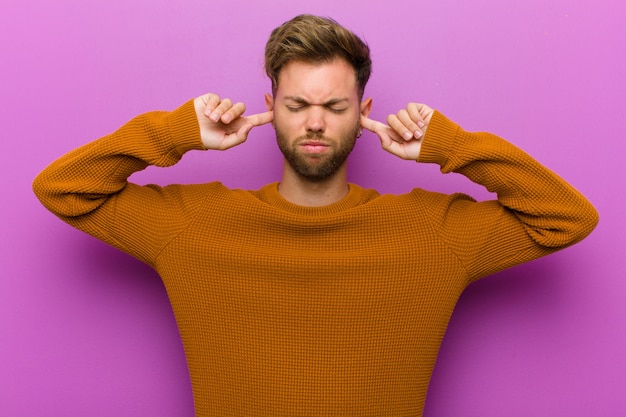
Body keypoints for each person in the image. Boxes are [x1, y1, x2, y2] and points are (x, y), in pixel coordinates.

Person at [33, 13, 598, 417]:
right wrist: (176, 133)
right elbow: (63, 189)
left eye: (334, 106)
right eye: (298, 104)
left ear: (364, 113)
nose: (315, 123)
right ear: (270, 106)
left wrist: (450, 145)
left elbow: (565, 218)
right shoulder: (195, 223)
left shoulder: (432, 233)